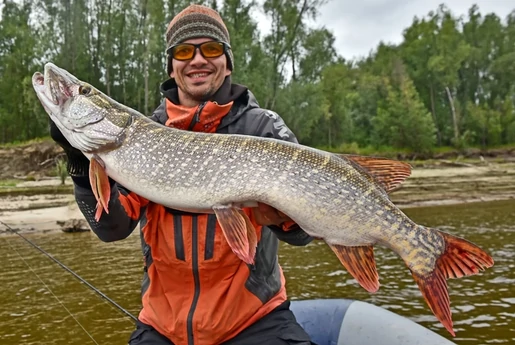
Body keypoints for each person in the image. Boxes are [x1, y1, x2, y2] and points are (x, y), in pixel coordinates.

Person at [50, 4, 315, 345]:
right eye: (185, 51)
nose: (198, 60)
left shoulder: (262, 128)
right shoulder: (145, 137)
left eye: (212, 49)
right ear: (172, 66)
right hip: (163, 326)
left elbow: (304, 235)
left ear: (227, 61)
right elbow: (112, 229)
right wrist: (79, 164)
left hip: (255, 321)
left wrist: (281, 218)